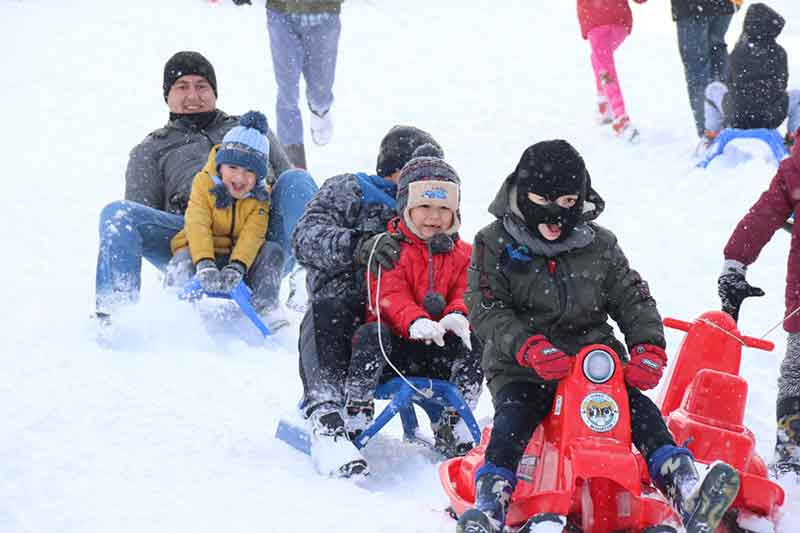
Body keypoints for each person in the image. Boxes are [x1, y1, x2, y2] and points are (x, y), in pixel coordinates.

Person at [457, 140, 741, 533]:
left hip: (595, 368)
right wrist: (525, 345)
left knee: (642, 416)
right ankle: (491, 504)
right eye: (543, 199)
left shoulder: (599, 245)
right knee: (514, 421)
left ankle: (685, 489)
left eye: (569, 201)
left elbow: (632, 296)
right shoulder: (494, 242)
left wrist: (647, 348)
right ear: (522, 195)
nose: (555, 215)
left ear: (583, 198)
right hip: (522, 368)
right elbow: (486, 306)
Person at [94, 51, 318, 323]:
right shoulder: (150, 149)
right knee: (119, 214)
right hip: (190, 236)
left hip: (260, 235)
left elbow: (288, 183)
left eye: (201, 86)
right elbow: (143, 214)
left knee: (297, 179)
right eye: (182, 87)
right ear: (167, 95)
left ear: (214, 92)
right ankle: (116, 312)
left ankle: (313, 272)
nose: (193, 96)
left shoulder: (251, 132)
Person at [291, 125, 442, 477]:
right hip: (345, 322)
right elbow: (305, 238)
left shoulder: (431, 210)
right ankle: (326, 414)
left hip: (403, 326)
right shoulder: (351, 189)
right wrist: (359, 246)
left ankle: (452, 418)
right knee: (326, 308)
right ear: (399, 169)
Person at [344, 145, 483, 460]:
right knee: (370, 333)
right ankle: (358, 406)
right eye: (424, 206)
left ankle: (454, 419)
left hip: (440, 349)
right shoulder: (390, 248)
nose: (434, 217)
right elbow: (387, 294)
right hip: (396, 354)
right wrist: (414, 320)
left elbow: (468, 290)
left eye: (444, 208)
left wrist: (457, 315)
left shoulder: (466, 254)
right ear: (406, 206)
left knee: (477, 341)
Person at [718, 141, 800, 481]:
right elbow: (763, 217)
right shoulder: (794, 169)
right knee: (796, 370)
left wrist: (734, 262)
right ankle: (791, 447)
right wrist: (734, 263)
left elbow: (763, 216)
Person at [163, 111, 286, 327]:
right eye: (233, 168)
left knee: (272, 251)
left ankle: (267, 307)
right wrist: (204, 262)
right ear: (220, 166)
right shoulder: (204, 183)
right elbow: (197, 223)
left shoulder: (260, 196)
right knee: (182, 257)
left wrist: (237, 266)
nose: (239, 178)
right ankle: (172, 307)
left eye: (250, 171)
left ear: (259, 176)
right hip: (202, 254)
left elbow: (253, 234)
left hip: (241, 263)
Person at [234, 0, 343, 169]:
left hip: (324, 13)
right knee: (287, 89)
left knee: (320, 90)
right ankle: (292, 158)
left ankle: (320, 110)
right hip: (281, 13)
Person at [702, 3, 800, 149]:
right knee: (798, 96)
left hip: (736, 115)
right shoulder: (779, 53)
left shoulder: (738, 52)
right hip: (770, 117)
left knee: (713, 89)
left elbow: (729, 83)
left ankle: (711, 136)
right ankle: (794, 138)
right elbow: (781, 85)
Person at [576, 0, 646, 141]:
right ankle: (603, 104)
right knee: (599, 60)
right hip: (619, 21)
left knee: (604, 68)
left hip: (595, 20)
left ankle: (621, 118)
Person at [671, 0, 737, 140]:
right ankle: (730, 125)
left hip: (692, 6)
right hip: (723, 5)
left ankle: (709, 133)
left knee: (697, 69)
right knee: (718, 62)